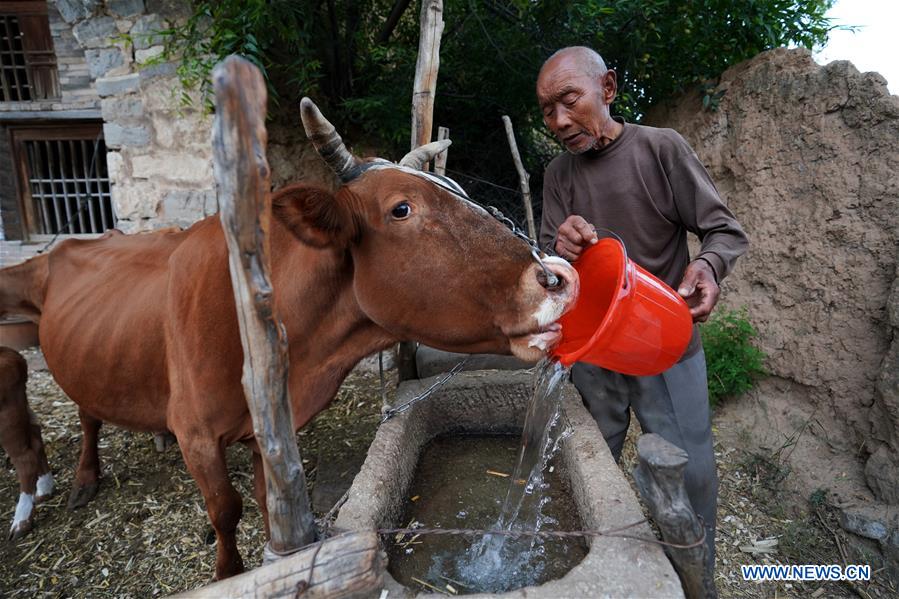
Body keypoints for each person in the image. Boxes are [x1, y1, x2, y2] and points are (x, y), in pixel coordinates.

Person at [537, 46, 749, 569]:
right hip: (593, 350)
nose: (560, 120)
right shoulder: (558, 176)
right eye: (547, 110)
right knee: (589, 458)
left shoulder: (660, 149)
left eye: (569, 100)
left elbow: (723, 229)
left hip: (664, 344)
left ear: (607, 88)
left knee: (691, 470)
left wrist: (709, 266)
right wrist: (560, 249)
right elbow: (546, 269)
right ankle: (592, 564)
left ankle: (695, 570)